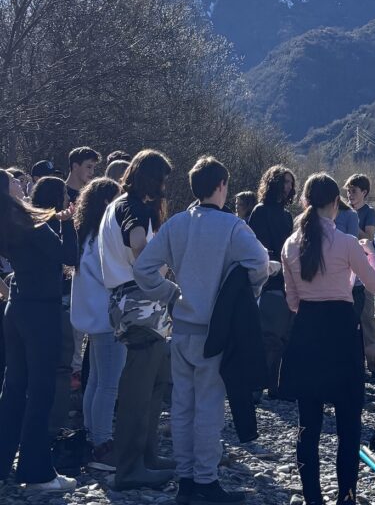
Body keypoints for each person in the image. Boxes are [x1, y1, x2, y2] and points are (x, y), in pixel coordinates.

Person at [134, 156, 271, 505]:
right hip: (216, 331)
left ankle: (185, 480)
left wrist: (171, 294)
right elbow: (259, 263)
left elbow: (144, 269)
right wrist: (245, 294)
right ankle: (206, 481)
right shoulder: (233, 227)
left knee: (182, 406)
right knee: (209, 408)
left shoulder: (176, 223)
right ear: (222, 186)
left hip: (181, 328)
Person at [281, 173, 375, 505]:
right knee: (348, 421)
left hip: (307, 330)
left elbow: (292, 301)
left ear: (305, 202)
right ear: (336, 203)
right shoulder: (347, 242)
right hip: (341, 331)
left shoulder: (290, 244)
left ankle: (312, 497)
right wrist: (370, 254)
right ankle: (346, 496)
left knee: (308, 423)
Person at [98, 149, 175, 490]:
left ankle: (147, 456)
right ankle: (129, 468)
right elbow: (138, 243)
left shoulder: (116, 205)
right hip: (138, 302)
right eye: (162, 180)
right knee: (138, 390)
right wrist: (161, 266)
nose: (164, 187)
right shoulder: (132, 207)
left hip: (131, 301)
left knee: (155, 382)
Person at [0, 171, 79, 491]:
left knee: (13, 388)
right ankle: (36, 472)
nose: (20, 184)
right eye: (13, 182)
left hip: (16, 306)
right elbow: (68, 256)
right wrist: (69, 223)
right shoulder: (28, 222)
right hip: (40, 311)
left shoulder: (9, 222)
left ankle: (2, 462)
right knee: (41, 389)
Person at [71, 177, 125, 470]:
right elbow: (113, 278)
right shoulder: (105, 238)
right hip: (108, 319)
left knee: (95, 380)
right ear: (107, 202)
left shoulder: (86, 236)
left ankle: (92, 435)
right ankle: (102, 445)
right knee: (108, 384)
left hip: (92, 318)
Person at [30, 176, 78, 434]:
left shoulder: (27, 222)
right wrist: (68, 224)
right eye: (65, 195)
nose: (69, 199)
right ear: (56, 199)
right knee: (61, 367)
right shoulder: (46, 227)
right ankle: (54, 428)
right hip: (48, 305)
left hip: (28, 304)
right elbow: (70, 256)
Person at [247, 166, 296, 397]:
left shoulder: (287, 215)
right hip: (269, 279)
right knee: (269, 335)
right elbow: (256, 247)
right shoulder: (260, 211)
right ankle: (258, 385)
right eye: (284, 182)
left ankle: (275, 386)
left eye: (290, 183)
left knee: (283, 336)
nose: (288, 187)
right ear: (273, 183)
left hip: (287, 278)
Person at [344, 173, 375, 347]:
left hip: (364, 268)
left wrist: (352, 223)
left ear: (364, 192)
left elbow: (369, 239)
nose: (350, 195)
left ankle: (374, 358)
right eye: (348, 191)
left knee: (367, 316)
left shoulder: (369, 212)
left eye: (354, 191)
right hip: (346, 267)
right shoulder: (342, 211)